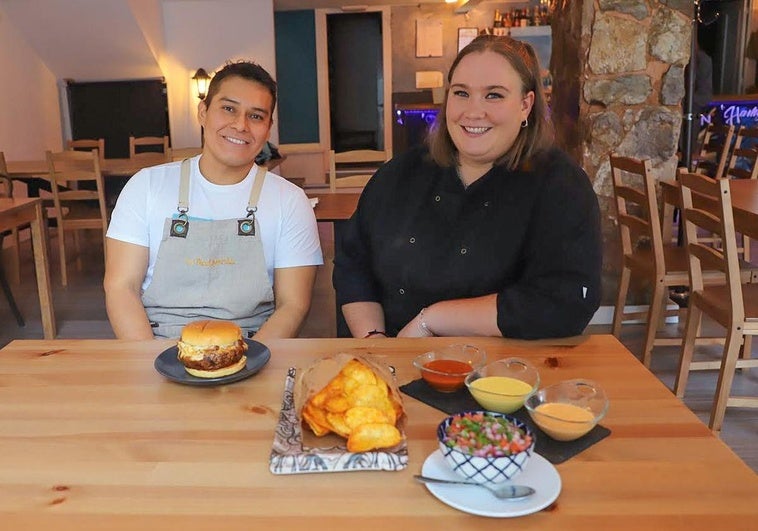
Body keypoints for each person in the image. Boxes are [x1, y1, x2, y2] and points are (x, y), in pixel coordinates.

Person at [333, 35, 601, 339]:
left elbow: (565, 301)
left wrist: (432, 319)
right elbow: (353, 264)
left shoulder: (560, 186)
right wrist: (376, 344)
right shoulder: (399, 174)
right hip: (393, 360)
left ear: (526, 105)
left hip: (503, 374)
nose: (473, 112)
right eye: (461, 93)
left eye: (494, 95)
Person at [104, 60, 323, 340]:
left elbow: (293, 305)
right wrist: (150, 366)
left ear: (268, 129)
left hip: (252, 346)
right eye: (228, 108)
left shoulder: (290, 201)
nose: (240, 125)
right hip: (157, 345)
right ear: (203, 112)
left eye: (256, 116)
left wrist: (249, 361)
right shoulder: (146, 186)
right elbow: (121, 287)